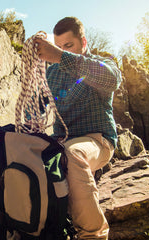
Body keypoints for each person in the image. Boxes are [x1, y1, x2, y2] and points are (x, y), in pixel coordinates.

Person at [34, 17, 122, 239]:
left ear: (83, 41)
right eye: (59, 46)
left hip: (98, 141)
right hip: (62, 141)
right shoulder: (51, 73)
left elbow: (111, 81)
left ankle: (94, 235)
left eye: (68, 45)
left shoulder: (102, 63)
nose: (63, 51)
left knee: (73, 153)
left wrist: (60, 56)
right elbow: (37, 107)